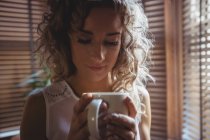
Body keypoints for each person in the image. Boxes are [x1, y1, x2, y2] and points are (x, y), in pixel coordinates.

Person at [20, 0, 153, 140]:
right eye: (84, 40)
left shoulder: (139, 98)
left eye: (111, 42)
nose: (99, 56)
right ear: (65, 39)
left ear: (123, 44)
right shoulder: (40, 106)